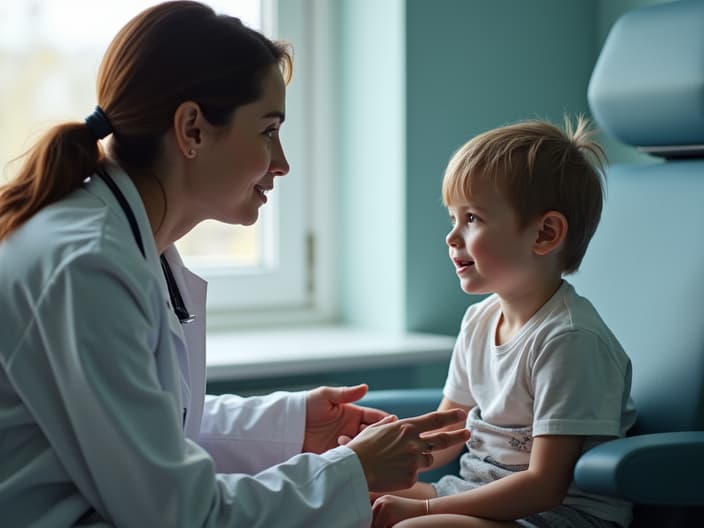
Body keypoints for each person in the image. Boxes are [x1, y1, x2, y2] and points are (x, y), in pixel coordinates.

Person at [0, 2, 470, 526]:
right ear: (193, 129)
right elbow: (179, 513)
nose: (283, 162)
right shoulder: (87, 267)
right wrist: (352, 469)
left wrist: (296, 426)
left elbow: (151, 428)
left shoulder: (127, 241)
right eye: (269, 131)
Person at [370, 117, 637, 528]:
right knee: (346, 492)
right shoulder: (478, 321)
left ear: (545, 233)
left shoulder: (568, 339)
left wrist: (424, 509)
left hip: (555, 516)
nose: (452, 236)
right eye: (452, 218)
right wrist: (367, 457)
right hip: (478, 494)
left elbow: (544, 486)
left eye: (472, 218)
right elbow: (450, 433)